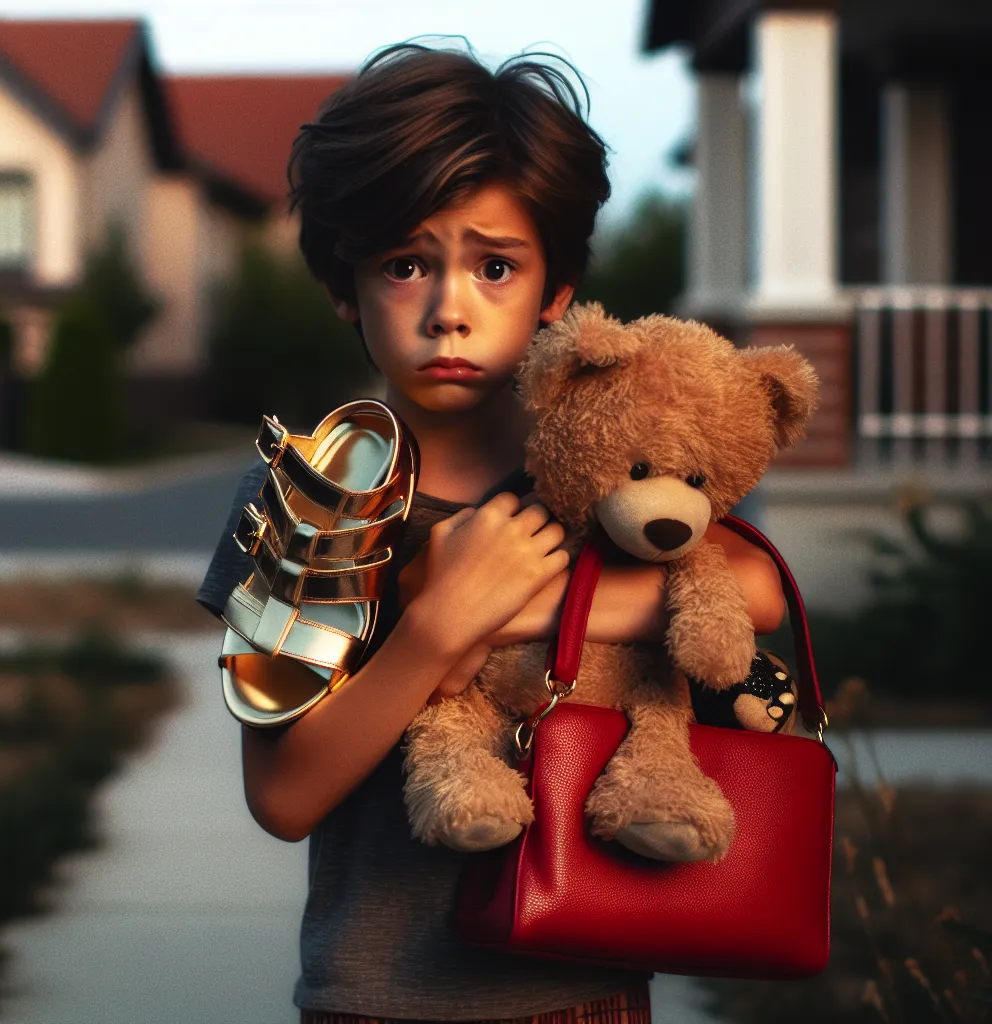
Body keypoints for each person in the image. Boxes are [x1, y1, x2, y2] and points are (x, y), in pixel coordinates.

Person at [197, 40, 786, 1024]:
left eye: (496, 266)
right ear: (345, 283)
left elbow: (752, 586)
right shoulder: (310, 492)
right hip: (375, 995)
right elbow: (286, 796)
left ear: (556, 290)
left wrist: (543, 598)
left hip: (586, 985)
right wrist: (438, 625)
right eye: (404, 263)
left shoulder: (593, 473)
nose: (448, 310)